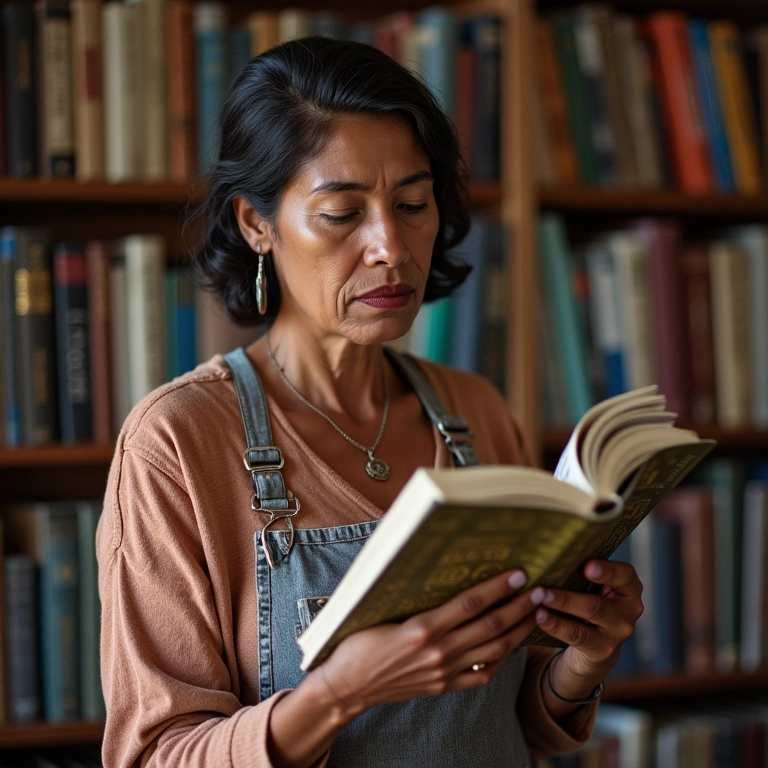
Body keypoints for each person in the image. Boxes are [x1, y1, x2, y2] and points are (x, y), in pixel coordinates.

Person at [96, 37, 644, 768]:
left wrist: (582, 662)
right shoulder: (176, 443)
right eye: (342, 213)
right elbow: (152, 756)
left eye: (413, 204)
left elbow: (512, 727)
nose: (391, 245)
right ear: (257, 224)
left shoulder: (475, 411)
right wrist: (340, 694)